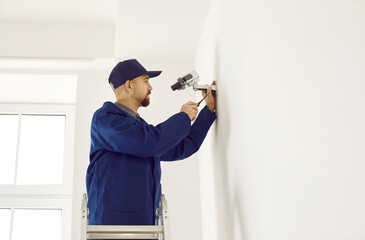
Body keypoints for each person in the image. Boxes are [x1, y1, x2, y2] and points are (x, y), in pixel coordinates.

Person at [86, 59, 217, 228]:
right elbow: (149, 142)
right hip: (110, 228)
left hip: (142, 227)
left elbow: (183, 146)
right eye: (146, 81)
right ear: (129, 85)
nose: (150, 88)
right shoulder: (105, 119)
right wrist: (183, 117)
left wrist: (209, 109)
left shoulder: (139, 129)